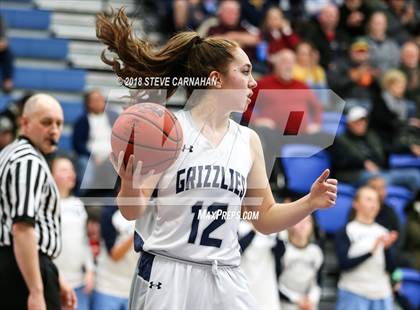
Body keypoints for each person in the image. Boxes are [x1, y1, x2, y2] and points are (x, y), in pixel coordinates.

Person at [96, 9, 337, 309]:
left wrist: (309, 203)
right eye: (245, 71)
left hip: (224, 273)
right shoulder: (169, 130)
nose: (254, 83)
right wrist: (130, 184)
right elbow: (132, 212)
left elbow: (263, 218)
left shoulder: (249, 141)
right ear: (215, 78)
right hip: (168, 270)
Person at [0, 94, 76, 310]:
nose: (54, 130)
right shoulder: (28, 161)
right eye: (46, 122)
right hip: (21, 272)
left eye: (59, 123)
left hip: (20, 264)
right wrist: (36, 290)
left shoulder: (10, 153)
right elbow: (22, 228)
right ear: (24, 123)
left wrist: (57, 277)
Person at [335, 186, 397, 310]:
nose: (373, 204)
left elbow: (391, 268)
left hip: (381, 294)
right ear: (356, 204)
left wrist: (386, 249)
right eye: (369, 199)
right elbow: (344, 264)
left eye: (376, 200)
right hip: (354, 292)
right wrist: (370, 252)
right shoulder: (347, 231)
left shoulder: (383, 232)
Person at [52, 156, 95, 310]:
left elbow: (84, 241)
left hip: (79, 283)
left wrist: (90, 270)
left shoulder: (78, 204)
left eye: (72, 169)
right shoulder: (45, 204)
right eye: (64, 170)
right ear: (51, 175)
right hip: (53, 283)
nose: (71, 173)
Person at [274, 215, 323, 310]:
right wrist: (296, 299)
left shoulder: (316, 252)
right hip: (285, 304)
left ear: (313, 226)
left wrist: (311, 299)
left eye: (307, 221)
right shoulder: (283, 250)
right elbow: (275, 281)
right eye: (299, 220)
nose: (303, 225)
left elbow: (318, 282)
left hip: (309, 305)